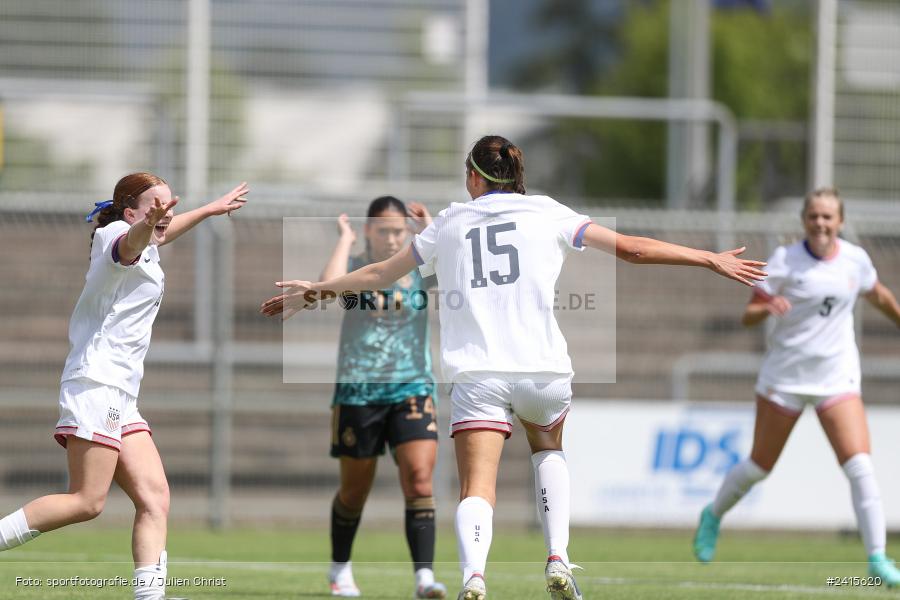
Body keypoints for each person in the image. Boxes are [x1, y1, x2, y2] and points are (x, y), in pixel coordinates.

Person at [262, 135, 766, 600]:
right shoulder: (547, 212)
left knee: (477, 487)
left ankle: (474, 577)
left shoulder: (451, 222)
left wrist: (317, 293)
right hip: (541, 371)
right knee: (548, 450)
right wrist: (707, 257)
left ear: (476, 178)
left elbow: (378, 273)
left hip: (479, 375)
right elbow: (633, 249)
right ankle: (558, 559)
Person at [0, 173, 248, 600]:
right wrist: (147, 225)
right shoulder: (116, 235)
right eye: (157, 207)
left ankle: (150, 597)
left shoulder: (149, 238)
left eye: (169, 205)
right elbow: (130, 243)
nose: (165, 213)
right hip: (97, 382)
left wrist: (208, 210)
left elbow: (156, 237)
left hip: (120, 392)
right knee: (86, 501)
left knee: (155, 497)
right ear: (131, 211)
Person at [693, 188, 900, 586]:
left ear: (840, 221)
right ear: (804, 221)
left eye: (828, 217)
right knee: (758, 467)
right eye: (814, 217)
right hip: (785, 378)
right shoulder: (785, 261)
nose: (820, 224)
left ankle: (877, 557)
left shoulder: (856, 259)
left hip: (837, 377)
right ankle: (713, 515)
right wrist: (767, 307)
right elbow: (749, 315)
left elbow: (878, 294)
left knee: (859, 466)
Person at [320, 197, 447, 599]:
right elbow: (325, 290)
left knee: (420, 480)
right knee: (355, 491)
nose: (392, 239)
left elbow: (449, 263)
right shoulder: (359, 269)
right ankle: (340, 568)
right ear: (369, 231)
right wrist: (345, 240)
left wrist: (428, 230)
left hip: (413, 387)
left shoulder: (417, 270)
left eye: (399, 231)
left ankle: (424, 578)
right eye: (384, 231)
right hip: (359, 390)